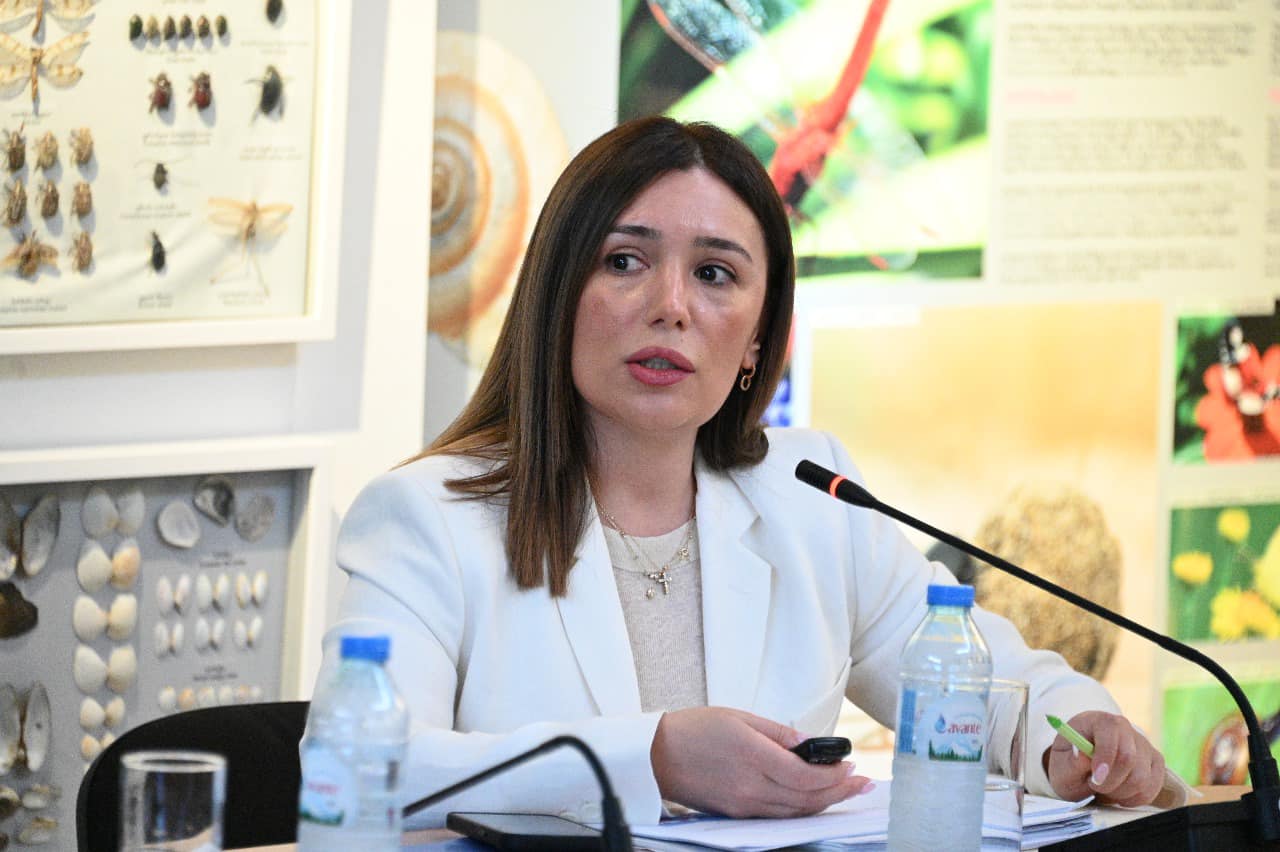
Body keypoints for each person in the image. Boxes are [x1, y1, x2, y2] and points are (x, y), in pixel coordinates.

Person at [319, 116, 1167, 827]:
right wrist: (652, 757)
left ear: (759, 340)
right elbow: (363, 772)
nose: (671, 306)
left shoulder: (813, 499)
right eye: (624, 261)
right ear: (557, 292)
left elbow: (984, 681)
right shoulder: (425, 516)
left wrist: (1073, 736)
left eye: (714, 274)